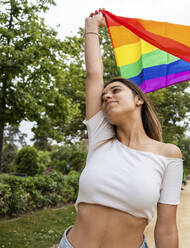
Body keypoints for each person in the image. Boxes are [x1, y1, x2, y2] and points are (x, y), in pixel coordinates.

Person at [58, 9, 183, 248]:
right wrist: (92, 27)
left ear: (139, 100)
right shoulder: (100, 139)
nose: (106, 96)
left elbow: (166, 227)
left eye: (115, 91)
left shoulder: (169, 155)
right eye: (104, 95)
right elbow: (94, 75)